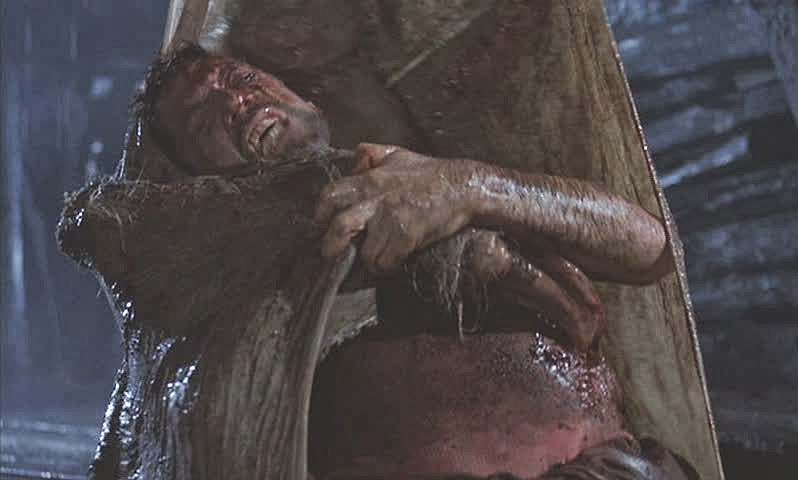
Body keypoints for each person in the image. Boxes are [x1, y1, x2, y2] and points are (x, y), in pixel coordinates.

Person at [134, 42, 699, 480]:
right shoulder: (247, 307)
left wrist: (469, 190)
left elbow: (652, 250)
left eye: (242, 79)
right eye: (204, 119)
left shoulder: (440, 171)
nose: (236, 103)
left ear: (304, 97)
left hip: (625, 462)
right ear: (202, 187)